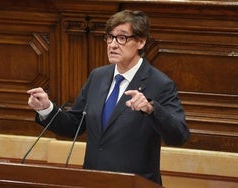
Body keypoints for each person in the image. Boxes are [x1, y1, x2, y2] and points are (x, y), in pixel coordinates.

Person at [27, 10, 190, 185]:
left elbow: (179, 135)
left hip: (135, 184)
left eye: (122, 38)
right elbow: (74, 125)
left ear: (141, 42)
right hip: (94, 181)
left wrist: (151, 109)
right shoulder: (98, 76)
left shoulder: (160, 84)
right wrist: (46, 108)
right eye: (110, 37)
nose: (112, 45)